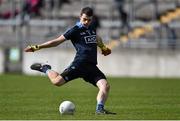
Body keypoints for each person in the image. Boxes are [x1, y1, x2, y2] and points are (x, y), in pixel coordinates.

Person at [24, 6, 116, 115]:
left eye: (89, 20)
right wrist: (36, 47)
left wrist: (103, 47)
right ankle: (45, 68)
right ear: (80, 17)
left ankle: (99, 109)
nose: (87, 22)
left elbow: (96, 37)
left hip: (91, 67)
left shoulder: (91, 27)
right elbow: (56, 41)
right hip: (79, 64)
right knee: (57, 82)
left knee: (105, 85)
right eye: (84, 19)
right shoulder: (74, 30)